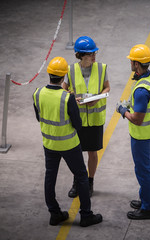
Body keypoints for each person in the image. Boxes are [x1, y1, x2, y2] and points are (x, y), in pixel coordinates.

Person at [33, 57, 102, 227]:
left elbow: (38, 117)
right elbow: (78, 125)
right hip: (69, 145)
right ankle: (86, 215)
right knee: (82, 177)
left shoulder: (37, 93)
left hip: (49, 144)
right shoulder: (67, 98)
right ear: (64, 76)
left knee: (50, 177)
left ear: (49, 74)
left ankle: (54, 214)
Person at [116, 44, 150, 220]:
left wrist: (123, 110)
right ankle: (149, 197)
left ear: (136, 64)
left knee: (143, 170)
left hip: (142, 135)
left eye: (132, 61)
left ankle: (148, 208)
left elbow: (137, 119)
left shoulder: (142, 90)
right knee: (149, 165)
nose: (131, 64)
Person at [62, 36, 110, 198]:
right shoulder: (71, 70)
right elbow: (63, 91)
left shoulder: (102, 68)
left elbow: (107, 88)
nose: (94, 56)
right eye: (90, 54)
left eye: (94, 53)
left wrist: (97, 97)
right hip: (78, 120)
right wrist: (72, 98)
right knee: (76, 153)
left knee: (92, 153)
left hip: (95, 120)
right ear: (81, 55)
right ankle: (77, 181)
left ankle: (89, 182)